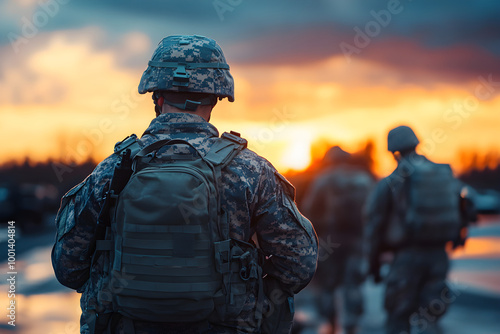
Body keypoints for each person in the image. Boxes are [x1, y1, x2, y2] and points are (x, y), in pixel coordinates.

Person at [52, 35, 318, 334]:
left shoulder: (111, 170)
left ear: (157, 96)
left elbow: (69, 269)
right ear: (216, 97)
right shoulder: (251, 171)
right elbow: (298, 265)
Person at [365, 125, 466, 334]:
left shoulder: (392, 182)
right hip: (439, 255)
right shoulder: (442, 174)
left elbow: (374, 224)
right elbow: (464, 208)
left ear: (393, 151)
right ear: (416, 143)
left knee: (398, 317)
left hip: (406, 258)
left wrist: (373, 262)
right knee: (430, 316)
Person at [302, 146, 375, 334]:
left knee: (327, 285)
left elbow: (308, 209)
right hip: (357, 240)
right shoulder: (363, 178)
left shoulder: (324, 179)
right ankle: (352, 326)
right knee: (353, 284)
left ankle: (330, 324)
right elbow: (374, 211)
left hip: (330, 239)